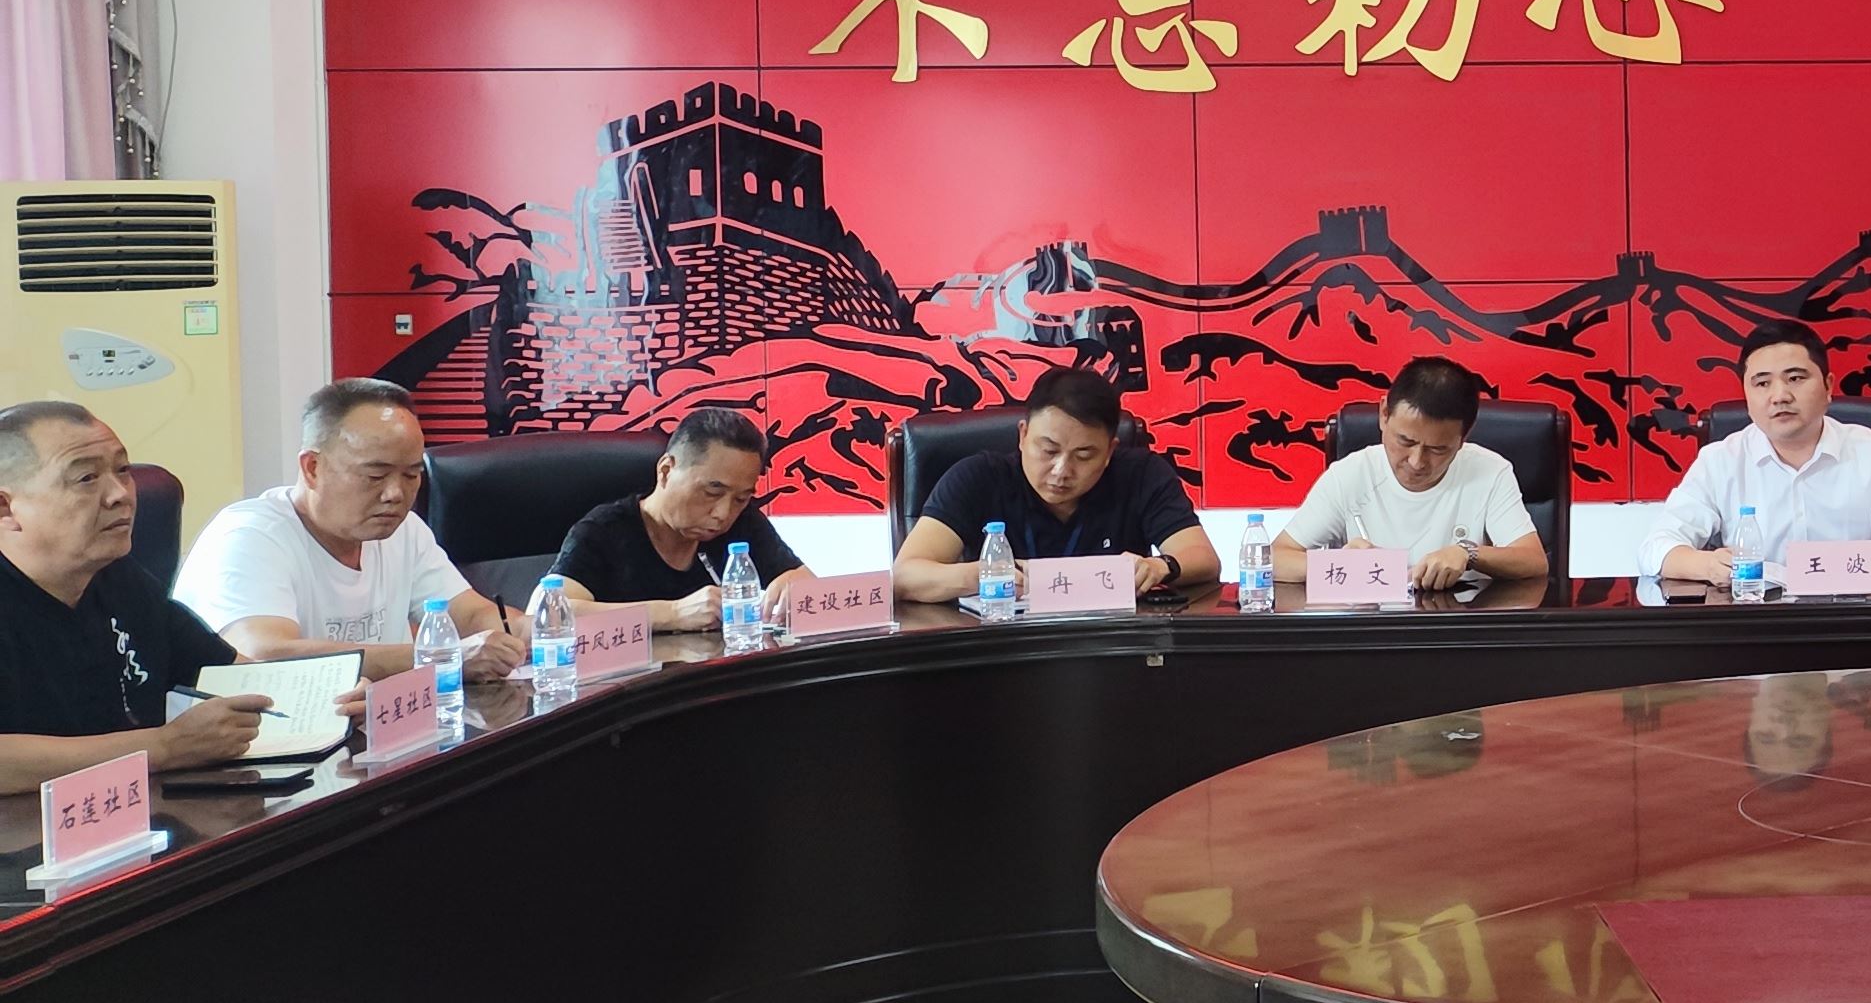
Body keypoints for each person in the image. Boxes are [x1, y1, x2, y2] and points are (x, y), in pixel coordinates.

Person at [177, 378, 525, 680]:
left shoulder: (404, 531)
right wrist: (439, 659)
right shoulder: (248, 536)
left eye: (411, 475)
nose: (395, 494)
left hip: (375, 726)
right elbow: (263, 655)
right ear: (312, 468)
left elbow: (470, 615)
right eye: (375, 475)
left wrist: (530, 630)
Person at [0, 400, 272, 785]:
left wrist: (333, 697)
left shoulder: (118, 576)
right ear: (6, 508)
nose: (120, 495)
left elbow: (231, 672)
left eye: (122, 470)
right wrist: (162, 748)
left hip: (135, 811)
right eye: (86, 478)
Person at [1650, 320, 1871, 584]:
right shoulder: (1720, 461)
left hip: (1853, 614)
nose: (1780, 396)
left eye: (1796, 379)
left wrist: (1849, 561)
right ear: (1746, 394)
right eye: (1762, 383)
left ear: (1828, 387)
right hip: (1754, 617)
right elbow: (1656, 548)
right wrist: (1708, 566)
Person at [893, 368, 1216, 601]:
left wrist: (1161, 566)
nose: (1061, 471)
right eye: (1048, 451)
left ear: (1109, 451)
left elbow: (1203, 558)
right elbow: (906, 575)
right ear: (1023, 435)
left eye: (1084, 455)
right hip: (1002, 651)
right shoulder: (978, 477)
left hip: (1111, 648)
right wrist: (983, 575)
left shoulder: (1141, 474)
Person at [1274, 357, 1550, 593]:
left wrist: (1468, 553)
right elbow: (1275, 558)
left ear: (1464, 436)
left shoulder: (1490, 471)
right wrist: (1340, 566)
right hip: (1369, 628)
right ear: (1384, 414)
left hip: (1459, 626)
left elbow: (1534, 561)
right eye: (1405, 441)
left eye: (1438, 449)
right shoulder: (1350, 475)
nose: (1417, 462)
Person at [549, 405, 818, 627]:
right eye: (712, 492)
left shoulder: (743, 521)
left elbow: (805, 584)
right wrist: (672, 613)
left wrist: (796, 586)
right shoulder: (603, 531)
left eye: (741, 498)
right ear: (666, 471)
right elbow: (548, 616)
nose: (723, 513)